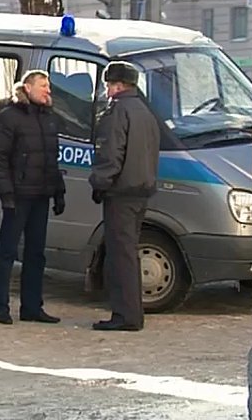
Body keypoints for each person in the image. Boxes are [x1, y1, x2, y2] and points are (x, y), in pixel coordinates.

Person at [0, 70, 66, 325]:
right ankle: (0, 307)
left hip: (41, 195)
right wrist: (6, 194)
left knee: (36, 254)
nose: (48, 91)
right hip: (18, 196)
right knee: (7, 252)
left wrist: (59, 191)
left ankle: (32, 307)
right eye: (43, 86)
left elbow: (52, 160)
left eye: (49, 86)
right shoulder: (10, 116)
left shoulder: (49, 118)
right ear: (28, 88)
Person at [89, 61, 161, 332]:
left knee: (120, 256)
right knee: (129, 253)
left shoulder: (118, 112)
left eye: (109, 85)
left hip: (121, 192)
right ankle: (131, 313)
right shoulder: (145, 111)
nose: (107, 90)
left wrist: (100, 183)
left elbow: (111, 153)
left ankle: (125, 315)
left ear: (118, 86)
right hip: (141, 190)